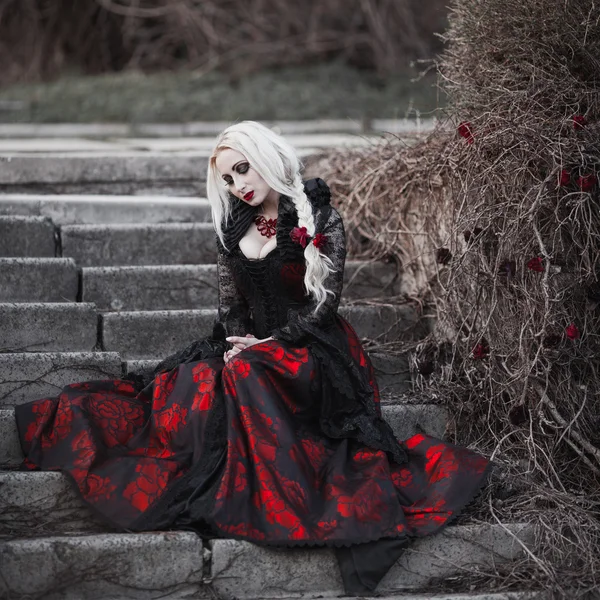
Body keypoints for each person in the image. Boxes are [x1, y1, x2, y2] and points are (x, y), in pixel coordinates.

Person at [15, 121, 491, 595]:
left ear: (264, 157)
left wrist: (270, 345)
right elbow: (231, 307)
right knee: (202, 382)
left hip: (310, 349)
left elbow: (325, 306)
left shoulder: (319, 218)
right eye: (227, 178)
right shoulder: (231, 227)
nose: (238, 184)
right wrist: (241, 340)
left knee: (248, 373)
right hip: (248, 348)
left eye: (242, 169)